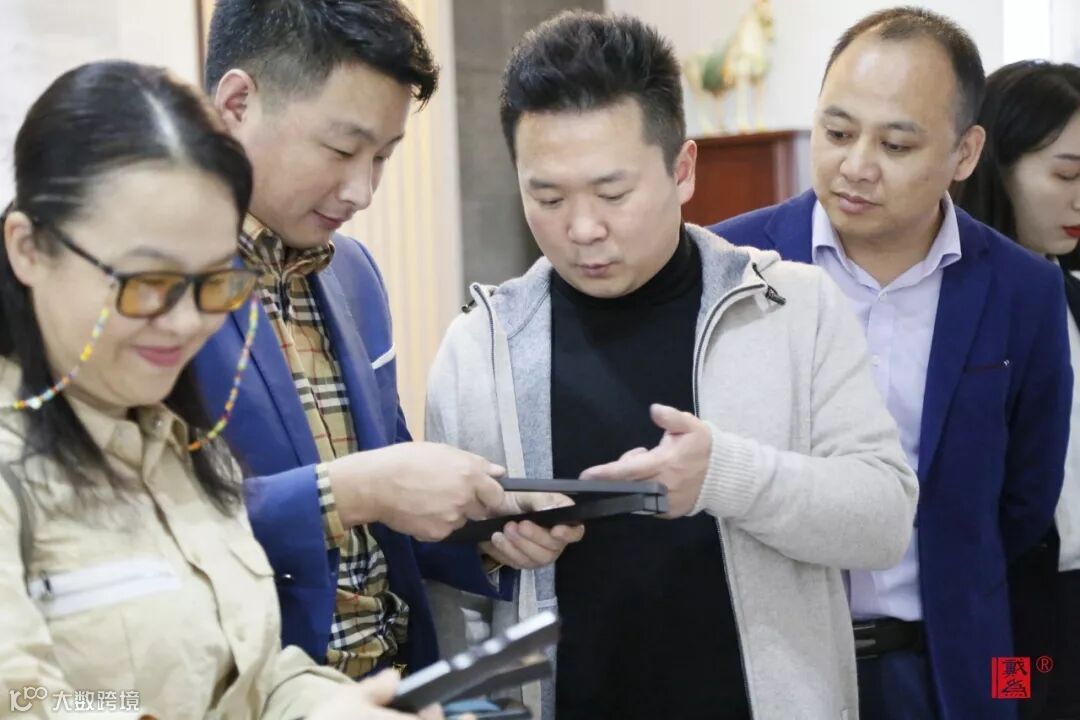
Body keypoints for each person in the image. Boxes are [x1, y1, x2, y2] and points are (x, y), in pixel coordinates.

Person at [425, 11, 919, 720]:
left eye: (613, 193)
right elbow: (449, 594)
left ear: (683, 169)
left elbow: (882, 521)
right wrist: (495, 552)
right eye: (547, 196)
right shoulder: (478, 348)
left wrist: (724, 475)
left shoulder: (793, 309)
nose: (583, 228)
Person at [0, 60, 435, 720]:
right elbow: (23, 698)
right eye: (147, 283)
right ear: (30, 248)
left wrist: (328, 707)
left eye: (213, 284)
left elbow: (247, 676)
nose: (184, 323)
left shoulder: (181, 442)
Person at [194, 0, 584, 681]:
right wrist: (358, 489)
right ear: (236, 104)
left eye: (382, 156)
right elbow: (140, 528)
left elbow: (384, 515)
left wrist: (485, 523)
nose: (363, 190)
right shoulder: (149, 285)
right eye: (343, 150)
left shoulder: (352, 274)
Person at [710, 9, 1072, 720]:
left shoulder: (1023, 290)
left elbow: (1025, 505)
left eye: (896, 144)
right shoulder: (727, 264)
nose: (857, 166)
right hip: (767, 667)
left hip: (945, 672)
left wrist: (1010, 680)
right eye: (837, 132)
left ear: (965, 153)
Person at [954, 59, 1080, 720]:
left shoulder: (1068, 293)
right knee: (1022, 707)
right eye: (1066, 175)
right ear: (992, 162)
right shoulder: (957, 308)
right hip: (1013, 609)